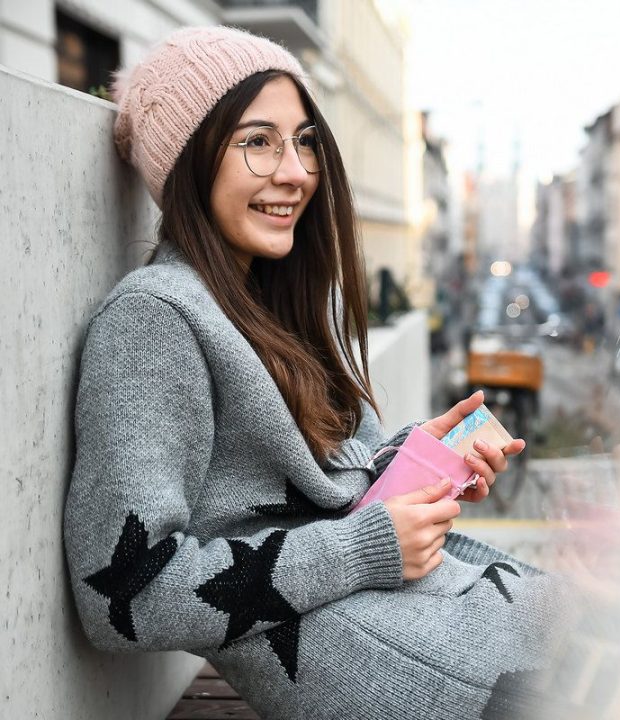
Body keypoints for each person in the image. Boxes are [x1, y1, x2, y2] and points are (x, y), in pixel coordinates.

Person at [63, 26, 574, 720]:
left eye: (303, 140)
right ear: (189, 162)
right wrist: (367, 549)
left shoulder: (285, 296)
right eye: (258, 141)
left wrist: (419, 458)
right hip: (395, 669)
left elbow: (327, 495)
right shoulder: (154, 320)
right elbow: (122, 590)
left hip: (422, 615)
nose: (298, 170)